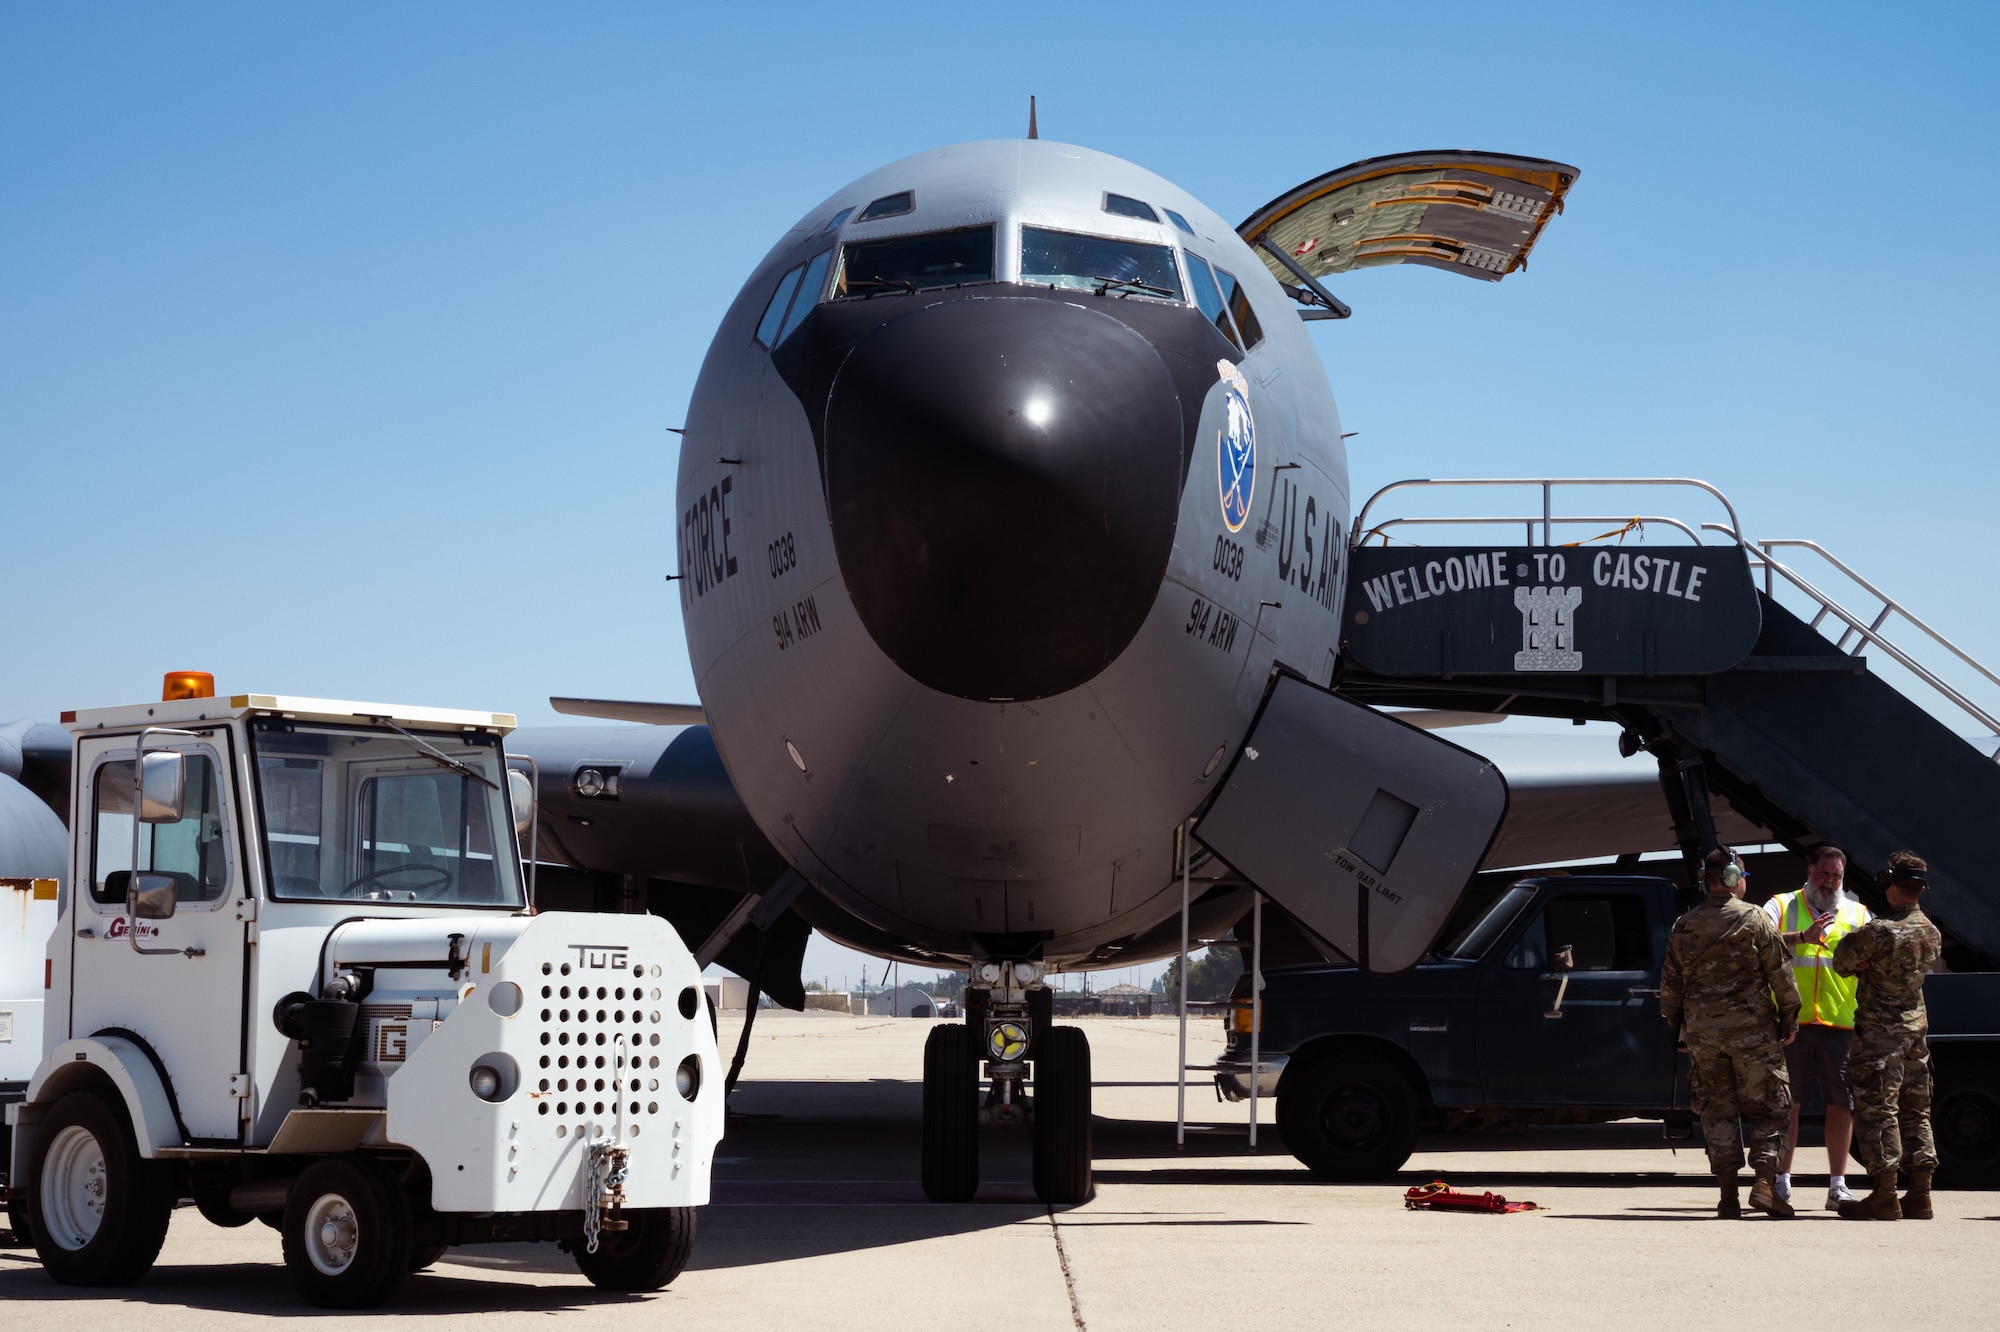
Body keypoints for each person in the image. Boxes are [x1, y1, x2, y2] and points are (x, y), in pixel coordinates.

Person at [1661, 847, 1802, 1218]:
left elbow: (1670, 986)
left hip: (1703, 1036)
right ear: (1730, 879)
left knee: (1716, 1110)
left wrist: (1678, 1030)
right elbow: (1781, 976)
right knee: (1772, 1106)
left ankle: (1728, 1196)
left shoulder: (1683, 924)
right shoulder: (1755, 919)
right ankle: (1764, 1184)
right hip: (1752, 1032)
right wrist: (1789, 1019)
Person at [1832, 850, 1943, 1221]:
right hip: (1915, 1034)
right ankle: (1921, 1193)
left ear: (1891, 884)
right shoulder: (1931, 930)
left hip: (1880, 1037)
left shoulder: (1879, 931)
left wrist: (1862, 959)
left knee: (1879, 1111)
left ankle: (1884, 1193)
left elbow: (1841, 961)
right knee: (1916, 1110)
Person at [1763, 845, 1872, 1208]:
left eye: (1836, 876)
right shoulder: (1780, 906)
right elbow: (1755, 942)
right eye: (1823, 874)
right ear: (1809, 872)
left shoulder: (1858, 913)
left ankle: (1837, 1186)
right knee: (1787, 1104)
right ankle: (1781, 1181)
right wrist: (1801, 938)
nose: (1829, 882)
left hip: (1840, 1024)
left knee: (1842, 1104)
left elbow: (1875, 957)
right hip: (1790, 1023)